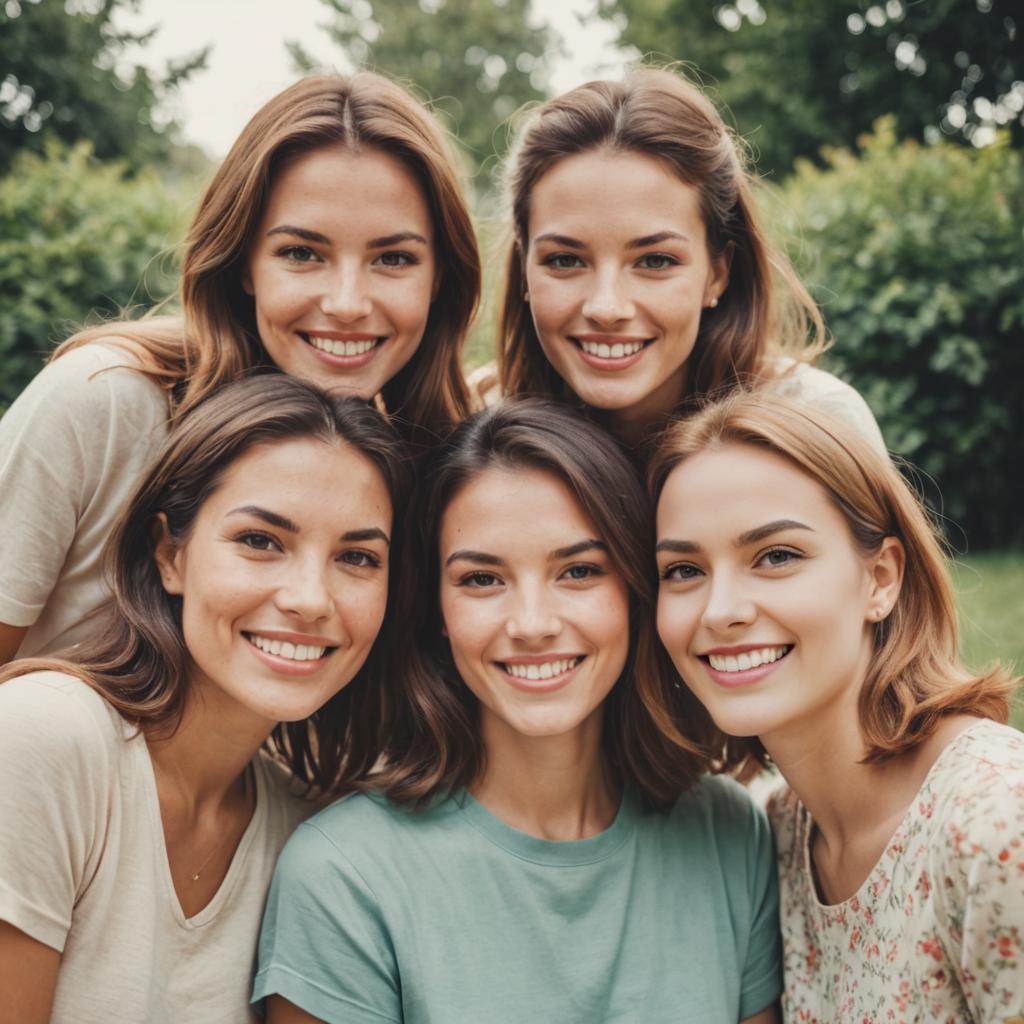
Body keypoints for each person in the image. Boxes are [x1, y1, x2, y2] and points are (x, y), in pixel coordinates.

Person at [255, 399, 782, 1024]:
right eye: (482, 579)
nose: (532, 625)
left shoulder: (728, 834)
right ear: (438, 614)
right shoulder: (343, 876)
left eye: (579, 571)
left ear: (638, 592)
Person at [0, 70, 479, 664]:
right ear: (243, 263)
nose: (348, 303)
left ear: (441, 281)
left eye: (394, 258)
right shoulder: (105, 401)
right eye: (302, 253)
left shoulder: (417, 466)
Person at [0, 375, 409, 1024]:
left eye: (357, 557)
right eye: (260, 541)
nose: (310, 598)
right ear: (171, 555)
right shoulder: (41, 740)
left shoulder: (313, 835)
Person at [650, 390, 1023, 1023]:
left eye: (776, 557)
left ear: (880, 579)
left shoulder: (994, 827)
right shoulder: (785, 830)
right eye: (684, 570)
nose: (720, 611)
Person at [494, 68, 882, 451]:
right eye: (565, 260)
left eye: (656, 261)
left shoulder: (816, 425)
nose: (606, 308)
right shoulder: (476, 425)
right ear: (524, 266)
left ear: (718, 273)